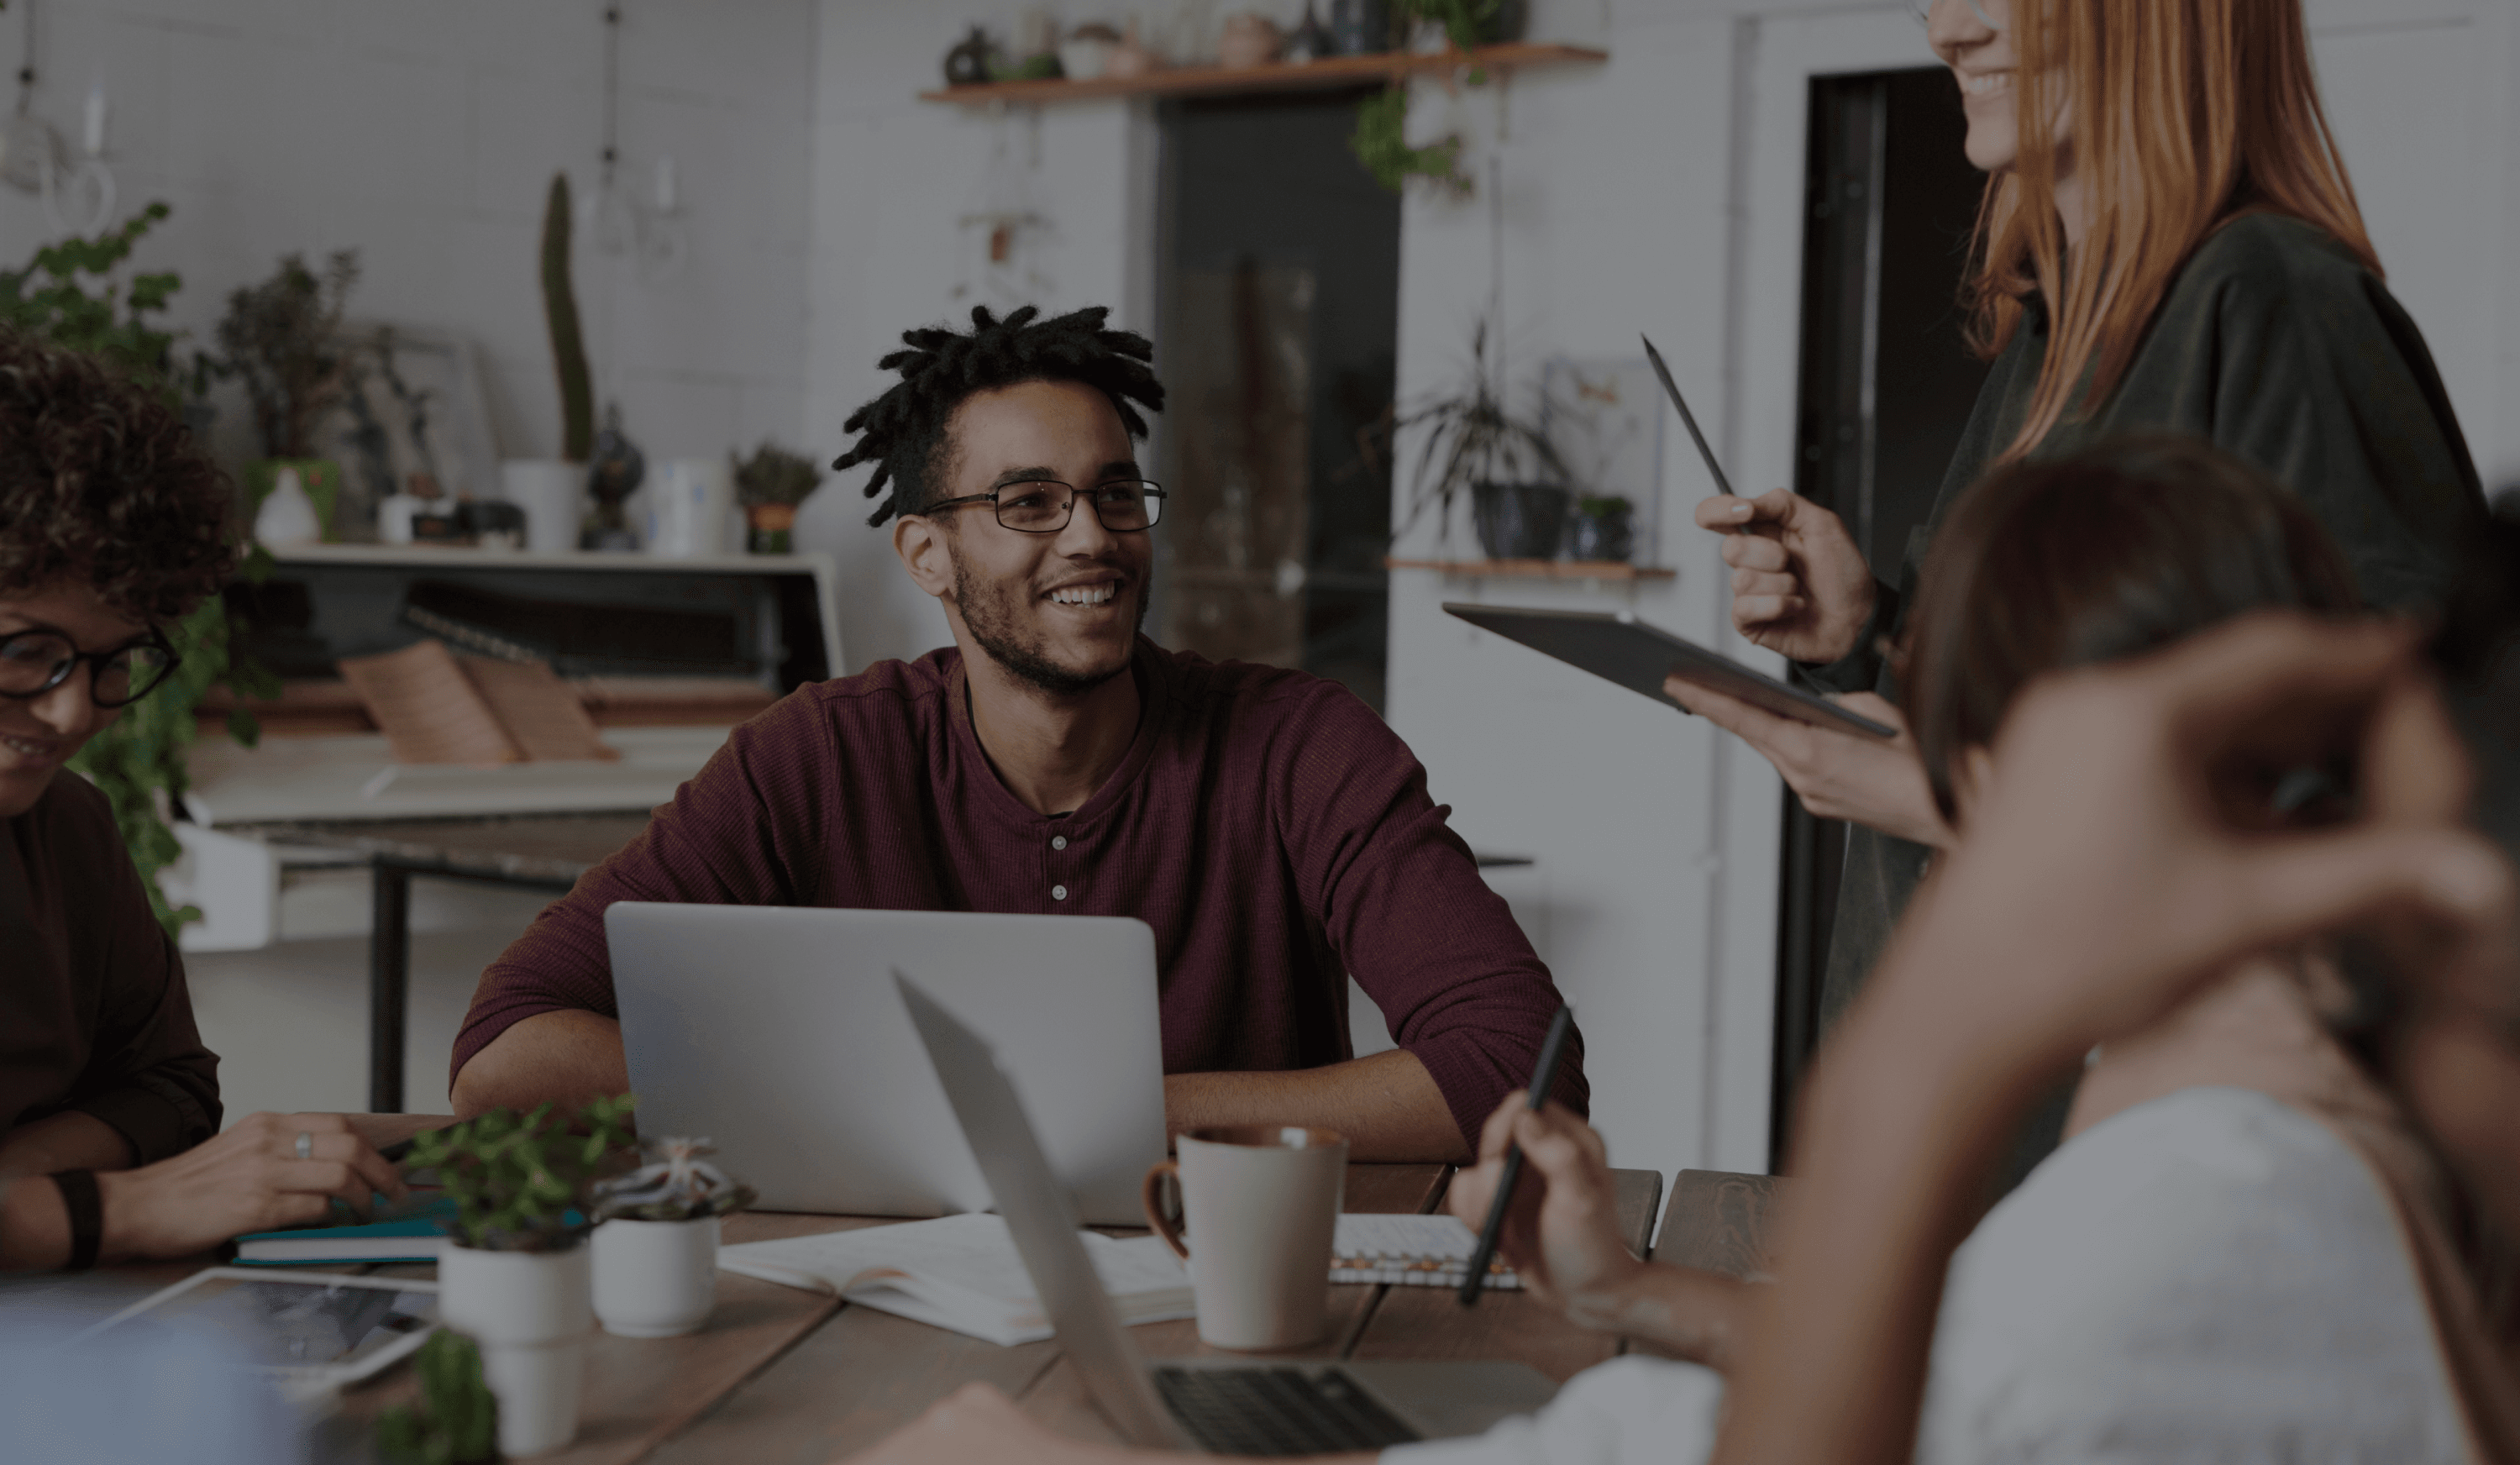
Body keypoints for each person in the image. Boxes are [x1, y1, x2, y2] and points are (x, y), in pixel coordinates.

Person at [838, 444, 2520, 1464]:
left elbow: (2037, 1350)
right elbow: (1992, 1375)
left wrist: (1925, 1060)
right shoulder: (2232, 1165)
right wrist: (1646, 1297)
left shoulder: (2222, 1193)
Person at [1673, 0, 2489, 1091]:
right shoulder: (2056, 333)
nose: (1949, 27)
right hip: (1962, 1136)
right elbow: (2051, 709)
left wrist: (1937, 796)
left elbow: (2405, 823)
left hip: (2140, 1176)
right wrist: (1869, 633)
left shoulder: (2272, 304)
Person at [452, 305, 1583, 1160]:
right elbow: (506, 1054)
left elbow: (1519, 1065)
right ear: (927, 554)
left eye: (1116, 494)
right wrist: (883, 1099)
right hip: (886, 1297)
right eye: (1029, 503)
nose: (1092, 536)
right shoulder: (820, 755)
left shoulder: (1297, 743)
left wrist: (1078, 1110)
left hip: (1218, 1291)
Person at [0, 331, 403, 1270]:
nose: (71, 711)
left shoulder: (73, 828)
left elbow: (173, 1086)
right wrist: (114, 1207)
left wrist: (23, 1178)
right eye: (26, 650)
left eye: (111, 661)